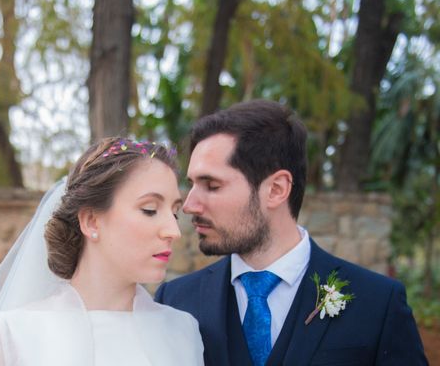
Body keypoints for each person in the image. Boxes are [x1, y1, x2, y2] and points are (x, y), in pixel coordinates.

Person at [155, 99, 427, 366]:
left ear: (276, 189)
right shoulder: (175, 301)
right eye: (191, 184)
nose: (189, 205)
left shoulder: (378, 304)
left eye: (212, 185)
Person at [0, 137, 204, 366]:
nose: (173, 231)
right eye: (149, 210)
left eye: (174, 212)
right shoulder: (11, 334)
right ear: (91, 221)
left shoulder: (184, 331)